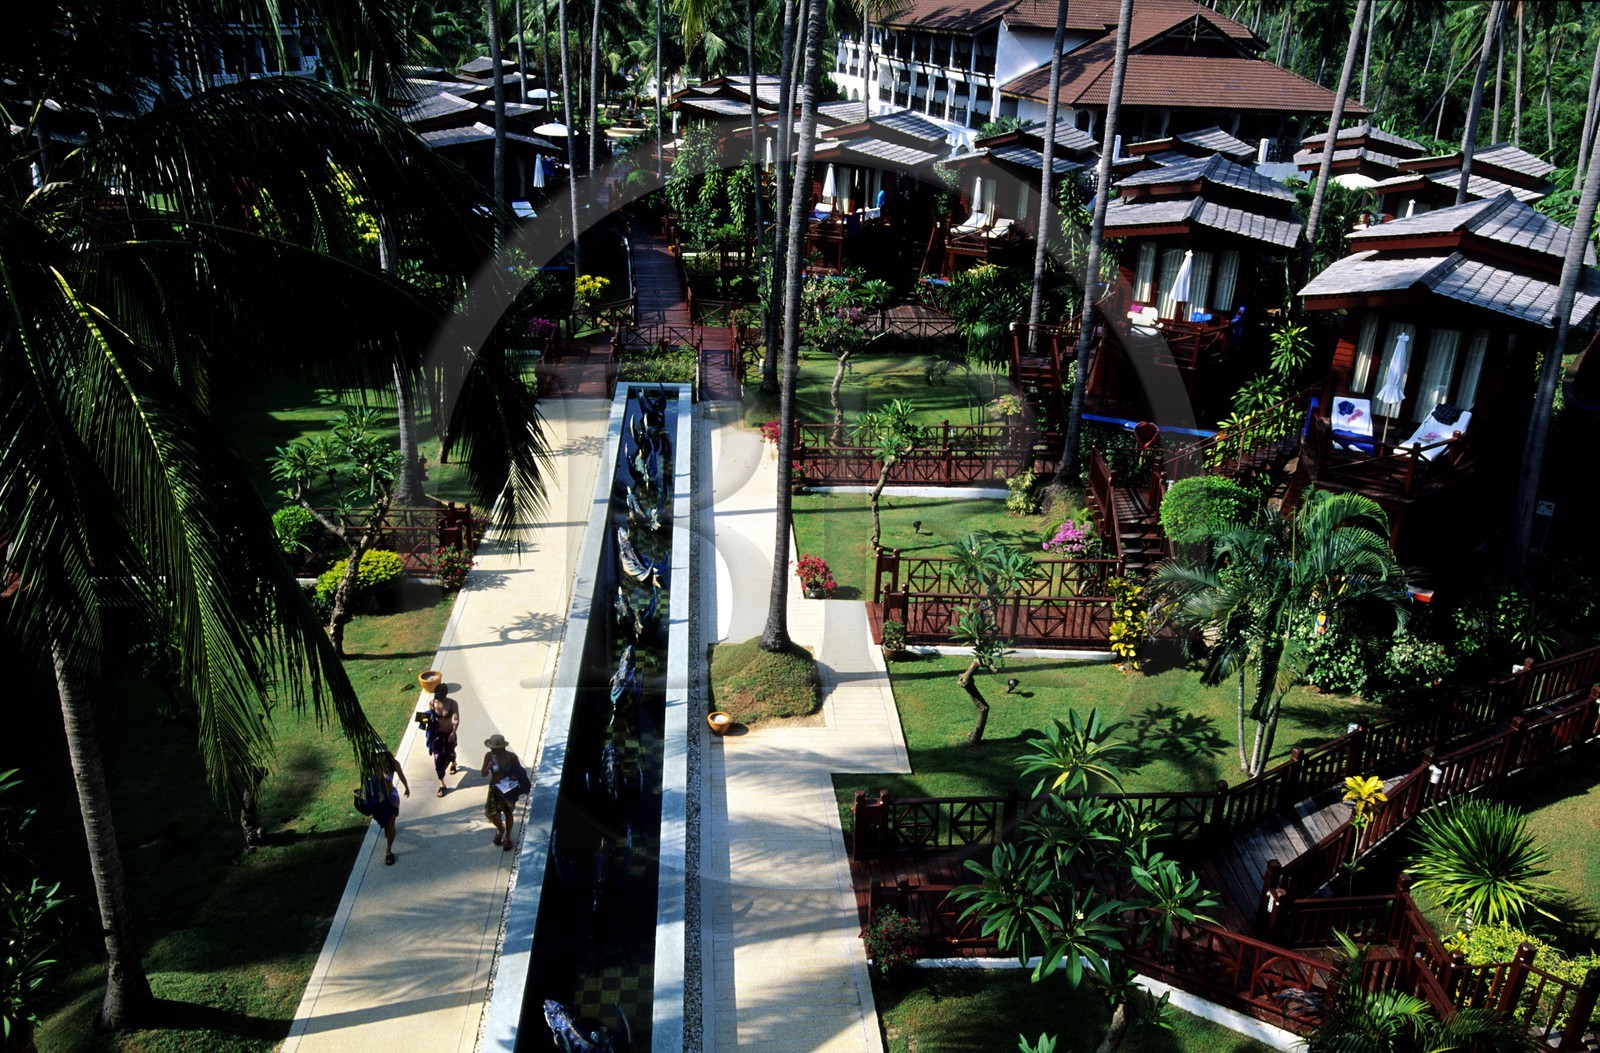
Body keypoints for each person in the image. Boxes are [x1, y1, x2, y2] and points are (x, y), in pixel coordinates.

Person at [480, 734, 531, 852]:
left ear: (502, 747)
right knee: (493, 814)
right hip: (494, 789)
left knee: (508, 813)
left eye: (496, 748)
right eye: (492, 748)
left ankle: (507, 838)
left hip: (508, 789)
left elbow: (519, 771)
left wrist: (514, 777)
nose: (493, 750)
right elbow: (483, 773)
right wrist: (488, 767)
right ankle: (500, 828)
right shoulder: (488, 756)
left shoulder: (511, 757)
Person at [367, 746, 410, 866]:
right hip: (377, 800)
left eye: (382, 754)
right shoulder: (370, 766)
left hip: (390, 798)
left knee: (391, 823)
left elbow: (399, 775)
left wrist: (406, 787)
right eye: (377, 755)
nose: (380, 757)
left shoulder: (393, 764)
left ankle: (388, 851)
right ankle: (386, 827)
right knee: (383, 822)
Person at [424, 684, 461, 796]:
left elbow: (456, 719)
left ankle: (453, 762)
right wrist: (424, 721)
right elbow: (430, 717)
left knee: (450, 753)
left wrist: (453, 732)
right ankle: (442, 784)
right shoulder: (432, 703)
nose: (438, 699)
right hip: (437, 735)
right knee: (438, 758)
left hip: (449, 733)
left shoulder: (453, 703)